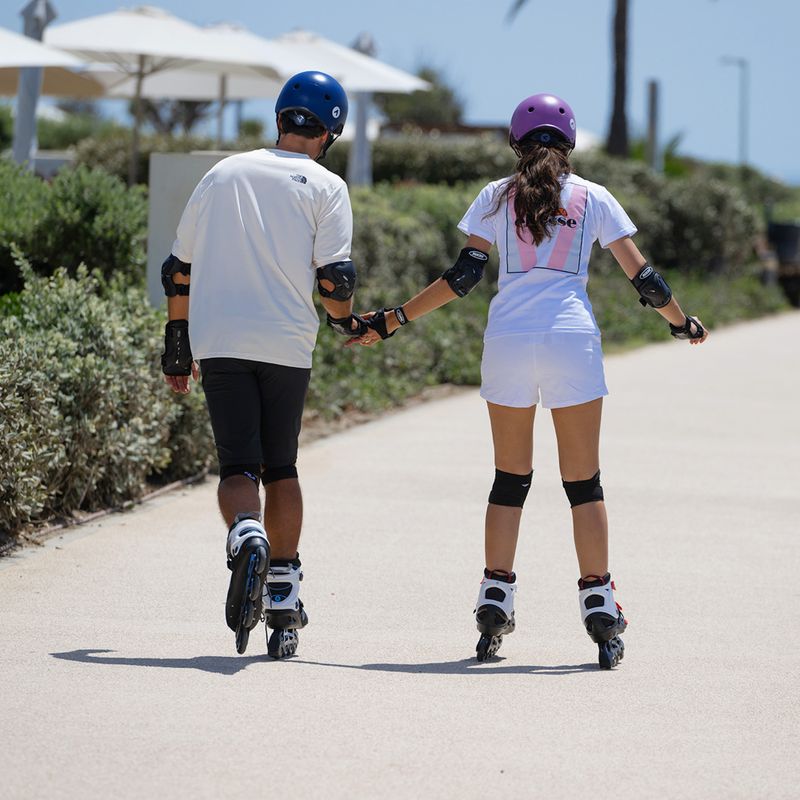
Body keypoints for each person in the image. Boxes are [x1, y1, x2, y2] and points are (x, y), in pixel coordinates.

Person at [352, 93, 708, 669]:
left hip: (509, 343)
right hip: (572, 341)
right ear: (568, 144)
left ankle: (495, 598)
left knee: (509, 480)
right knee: (583, 483)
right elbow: (644, 277)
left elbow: (464, 275)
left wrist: (392, 319)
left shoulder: (496, 196)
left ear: (516, 142)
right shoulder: (593, 197)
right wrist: (680, 323)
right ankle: (598, 604)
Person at [161, 71, 367, 657]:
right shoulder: (326, 186)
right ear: (330, 132)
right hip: (286, 343)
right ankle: (283, 591)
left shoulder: (223, 172)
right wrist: (343, 318)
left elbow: (178, 268)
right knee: (281, 466)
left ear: (280, 117)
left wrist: (178, 342)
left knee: (236, 466)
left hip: (219, 339)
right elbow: (335, 280)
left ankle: (245, 533)